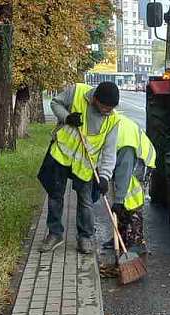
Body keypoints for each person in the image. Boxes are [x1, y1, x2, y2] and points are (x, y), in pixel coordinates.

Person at [38, 81, 121, 254]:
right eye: (105, 107)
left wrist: (104, 176)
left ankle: (85, 237)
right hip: (62, 154)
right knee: (55, 195)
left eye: (111, 108)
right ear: (95, 99)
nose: (108, 112)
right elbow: (55, 103)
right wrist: (67, 118)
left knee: (86, 201)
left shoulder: (113, 120)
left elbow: (109, 152)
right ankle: (54, 234)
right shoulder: (77, 92)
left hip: (85, 165)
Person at [102, 115, 156, 256]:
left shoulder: (124, 140)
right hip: (123, 159)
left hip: (140, 161)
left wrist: (119, 200)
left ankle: (137, 242)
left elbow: (124, 171)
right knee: (118, 196)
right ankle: (120, 237)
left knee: (130, 199)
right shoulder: (106, 124)